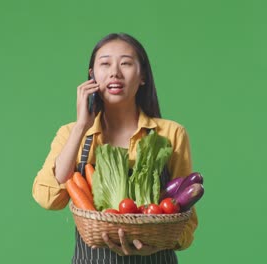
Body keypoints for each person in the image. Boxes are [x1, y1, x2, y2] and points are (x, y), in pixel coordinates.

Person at [32, 33, 198, 263]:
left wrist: (160, 242)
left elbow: (187, 221)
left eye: (126, 63)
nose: (115, 73)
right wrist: (81, 126)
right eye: (105, 63)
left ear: (142, 77)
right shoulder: (71, 133)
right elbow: (48, 199)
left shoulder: (170, 133)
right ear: (92, 75)